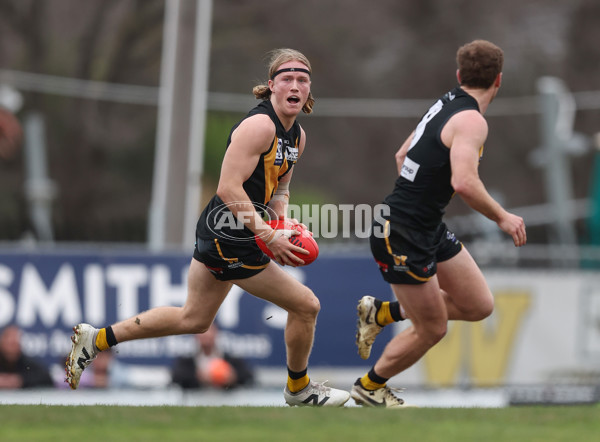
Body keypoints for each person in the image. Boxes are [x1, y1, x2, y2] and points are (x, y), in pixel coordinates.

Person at [65, 48, 350, 407]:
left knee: (194, 318)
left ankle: (97, 340)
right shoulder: (260, 126)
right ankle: (299, 389)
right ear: (271, 87)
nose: (295, 85)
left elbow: (281, 188)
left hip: (231, 231)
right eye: (287, 79)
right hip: (228, 235)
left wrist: (280, 223)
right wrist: (266, 235)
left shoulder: (298, 136)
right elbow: (227, 188)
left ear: (309, 91)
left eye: (302, 80)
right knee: (307, 305)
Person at [351, 40, 527, 407]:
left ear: (460, 75)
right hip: (401, 231)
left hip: (424, 226)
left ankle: (381, 313)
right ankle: (369, 388)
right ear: (499, 81)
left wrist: (419, 205)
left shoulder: (445, 102)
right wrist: (503, 216)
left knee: (478, 305)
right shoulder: (472, 120)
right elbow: (463, 182)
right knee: (433, 328)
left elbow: (403, 155)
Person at [171, 323, 254, 389]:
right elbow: (176, 377)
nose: (206, 335)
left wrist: (233, 377)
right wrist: (198, 377)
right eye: (202, 332)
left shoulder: (231, 359)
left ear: (216, 333)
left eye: (209, 331)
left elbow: (248, 375)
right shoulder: (186, 361)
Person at [0, 324, 53, 389]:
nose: (12, 349)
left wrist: (20, 380)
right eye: (10, 344)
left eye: (15, 344)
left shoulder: (26, 363)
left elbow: (46, 378)